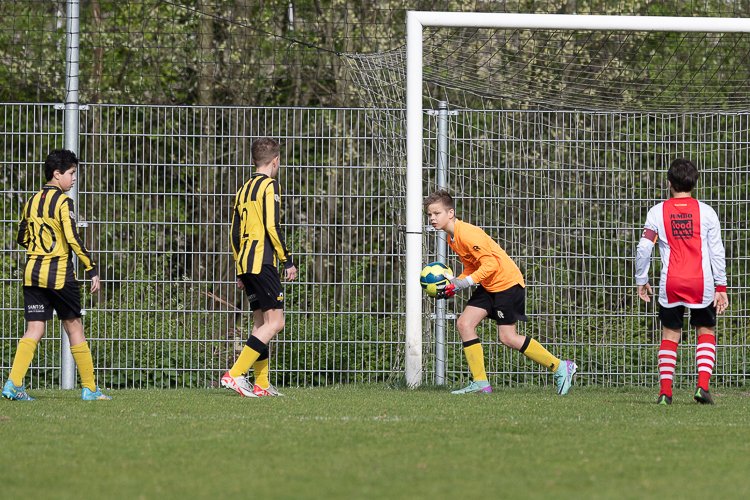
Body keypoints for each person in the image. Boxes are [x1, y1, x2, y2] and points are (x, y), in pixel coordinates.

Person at [424, 190, 577, 395]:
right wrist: (455, 283)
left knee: (508, 337)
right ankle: (481, 383)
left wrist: (464, 283)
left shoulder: (467, 233)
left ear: (450, 213)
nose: (432, 218)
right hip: (489, 285)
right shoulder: (452, 238)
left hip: (507, 284)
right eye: (430, 214)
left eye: (437, 213)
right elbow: (472, 266)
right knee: (464, 324)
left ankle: (560, 367)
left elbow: (491, 264)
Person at [2, 149, 110, 401]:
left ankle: (13, 384)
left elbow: (22, 237)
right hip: (59, 274)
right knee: (74, 327)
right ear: (57, 174)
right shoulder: (63, 202)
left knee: (34, 328)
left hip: (32, 273)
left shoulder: (31, 201)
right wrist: (91, 267)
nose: (74, 178)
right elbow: (72, 237)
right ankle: (90, 389)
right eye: (71, 173)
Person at [636, 158, 728, 405]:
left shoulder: (657, 212)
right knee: (705, 330)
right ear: (694, 183)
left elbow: (644, 248)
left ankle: (665, 392)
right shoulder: (707, 212)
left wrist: (641, 278)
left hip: (671, 283)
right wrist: (721, 286)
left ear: (669, 183)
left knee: (670, 334)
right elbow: (717, 251)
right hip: (701, 283)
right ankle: (702, 388)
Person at [221, 137, 297, 397]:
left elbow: (234, 232)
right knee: (275, 323)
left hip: (245, 262)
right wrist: (286, 259)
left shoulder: (243, 189)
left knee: (261, 323)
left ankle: (261, 383)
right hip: (263, 262)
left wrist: (239, 268)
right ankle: (235, 374)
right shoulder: (270, 186)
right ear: (275, 161)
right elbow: (272, 226)